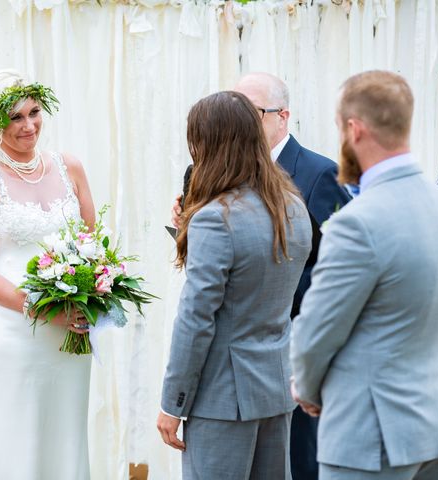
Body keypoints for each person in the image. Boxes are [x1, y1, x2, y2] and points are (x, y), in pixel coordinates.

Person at [171, 73, 350, 480]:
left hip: (269, 361)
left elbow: (334, 268)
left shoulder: (318, 176)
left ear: (281, 116)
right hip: (257, 370)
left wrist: (172, 402)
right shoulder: (209, 177)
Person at [290, 70, 438, 479]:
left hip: (369, 434)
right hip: (432, 425)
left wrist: (305, 388)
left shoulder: (357, 222)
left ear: (354, 130)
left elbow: (317, 330)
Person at [157, 91, 312, 479]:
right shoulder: (292, 206)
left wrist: (172, 403)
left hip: (222, 398)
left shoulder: (216, 218)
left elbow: (196, 318)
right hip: (275, 389)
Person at [0, 69, 96, 479]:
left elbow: (93, 245)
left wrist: (91, 296)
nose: (29, 125)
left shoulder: (70, 167)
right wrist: (40, 309)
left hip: (71, 331)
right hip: (14, 331)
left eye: (34, 112)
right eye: (15, 117)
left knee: (65, 436)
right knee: (15, 439)